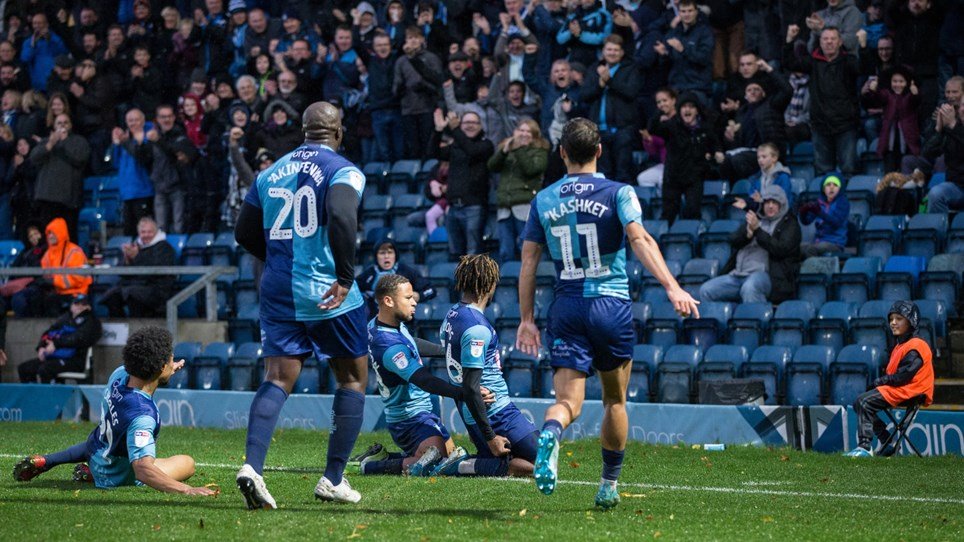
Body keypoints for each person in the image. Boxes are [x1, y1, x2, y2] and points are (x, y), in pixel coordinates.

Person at [515, 118, 700, 509]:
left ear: (562, 152)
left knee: (568, 402)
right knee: (614, 401)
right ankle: (607, 486)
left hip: (567, 306)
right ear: (599, 150)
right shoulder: (619, 192)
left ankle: (551, 431)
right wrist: (672, 286)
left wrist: (526, 319)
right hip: (609, 305)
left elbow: (528, 262)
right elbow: (639, 239)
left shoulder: (543, 199)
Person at [233, 102, 369, 509]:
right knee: (352, 379)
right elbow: (342, 216)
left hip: (278, 289)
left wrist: (279, 258)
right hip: (327, 290)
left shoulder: (269, 172)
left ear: (303, 131)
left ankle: (252, 467)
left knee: (277, 378)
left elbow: (244, 233)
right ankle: (333, 478)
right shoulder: (343, 170)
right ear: (338, 132)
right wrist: (345, 276)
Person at [13, 326, 216, 496]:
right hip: (113, 476)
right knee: (187, 463)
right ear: (160, 367)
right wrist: (187, 490)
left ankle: (49, 460)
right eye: (170, 361)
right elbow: (143, 470)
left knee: (111, 438)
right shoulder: (143, 416)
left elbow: (145, 373)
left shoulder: (120, 374)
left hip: (96, 450)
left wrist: (165, 372)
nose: (173, 362)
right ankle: (94, 475)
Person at [355, 274, 486, 476]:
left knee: (450, 456)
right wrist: (466, 393)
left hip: (419, 413)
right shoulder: (388, 346)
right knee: (438, 461)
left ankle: (384, 456)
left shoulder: (382, 324)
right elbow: (425, 380)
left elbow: (411, 342)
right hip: (409, 419)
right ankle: (367, 466)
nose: (414, 301)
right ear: (388, 301)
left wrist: (446, 352)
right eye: (408, 298)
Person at [433, 254, 536, 478]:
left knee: (523, 461)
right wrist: (490, 436)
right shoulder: (476, 327)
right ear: (489, 285)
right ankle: (463, 465)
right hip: (495, 411)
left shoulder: (452, 314)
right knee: (542, 458)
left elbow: (453, 360)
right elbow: (471, 386)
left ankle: (469, 462)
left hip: (475, 411)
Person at [846, 301, 934, 457]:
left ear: (911, 321)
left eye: (898, 319)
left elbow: (903, 377)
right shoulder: (900, 346)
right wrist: (881, 383)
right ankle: (887, 442)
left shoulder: (917, 345)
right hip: (902, 388)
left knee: (864, 402)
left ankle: (865, 447)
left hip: (912, 391)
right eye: (891, 319)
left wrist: (879, 382)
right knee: (859, 403)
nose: (893, 323)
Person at [699, 185, 800, 305]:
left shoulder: (790, 224)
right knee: (706, 290)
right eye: (767, 202)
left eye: (774, 202)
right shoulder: (756, 218)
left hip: (768, 277)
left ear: (781, 205)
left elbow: (780, 249)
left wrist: (758, 231)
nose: (770, 206)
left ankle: (753, 317)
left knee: (750, 288)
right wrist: (747, 235)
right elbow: (733, 240)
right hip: (738, 274)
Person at [783, 26, 859, 178]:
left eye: (833, 39)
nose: (829, 42)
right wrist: (789, 40)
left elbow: (865, 68)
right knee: (823, 173)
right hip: (820, 126)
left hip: (846, 125)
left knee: (848, 170)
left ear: (840, 42)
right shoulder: (813, 62)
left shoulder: (849, 61)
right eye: (825, 39)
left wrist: (863, 47)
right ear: (820, 42)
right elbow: (790, 63)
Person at [653, 92, 722, 224]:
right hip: (672, 177)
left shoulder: (705, 128)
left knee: (693, 212)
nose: (687, 109)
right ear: (679, 110)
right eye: (684, 107)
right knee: (668, 214)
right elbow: (653, 128)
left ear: (697, 110)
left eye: (691, 106)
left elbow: (715, 145)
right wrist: (660, 111)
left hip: (694, 178)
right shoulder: (672, 126)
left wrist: (717, 153)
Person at [434, 109, 494, 258]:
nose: (470, 125)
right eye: (466, 122)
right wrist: (438, 130)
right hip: (453, 207)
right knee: (455, 253)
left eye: (474, 122)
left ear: (481, 126)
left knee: (473, 253)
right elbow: (433, 152)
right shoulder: (456, 146)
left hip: (474, 207)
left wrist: (455, 129)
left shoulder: (486, 145)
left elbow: (471, 151)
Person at [488, 119, 549, 263]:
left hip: (525, 205)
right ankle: (507, 277)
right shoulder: (507, 149)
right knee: (505, 250)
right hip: (505, 206)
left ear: (534, 135)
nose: (524, 134)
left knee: (528, 249)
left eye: (528, 131)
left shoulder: (540, 151)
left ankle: (534, 277)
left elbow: (531, 169)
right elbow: (492, 166)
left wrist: (518, 149)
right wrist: (503, 152)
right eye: (521, 130)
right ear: (515, 132)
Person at [98, 217, 177, 318]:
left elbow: (157, 270)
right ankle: (119, 324)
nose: (146, 235)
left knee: (133, 294)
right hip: (136, 285)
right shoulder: (135, 246)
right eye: (143, 232)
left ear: (156, 232)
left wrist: (136, 257)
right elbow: (122, 273)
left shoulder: (164, 247)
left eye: (150, 232)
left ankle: (136, 324)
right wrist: (127, 259)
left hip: (157, 288)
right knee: (112, 295)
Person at [12, 218, 92, 317]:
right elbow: (45, 275)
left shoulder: (74, 252)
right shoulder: (48, 254)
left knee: (50, 301)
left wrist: (53, 281)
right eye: (49, 233)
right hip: (57, 292)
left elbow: (77, 279)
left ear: (61, 233)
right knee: (33, 298)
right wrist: (45, 281)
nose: (50, 236)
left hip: (76, 293)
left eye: (53, 233)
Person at [16, 294, 101, 383]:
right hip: (55, 356)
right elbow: (48, 333)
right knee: (24, 368)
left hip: (75, 360)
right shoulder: (65, 318)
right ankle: (33, 392)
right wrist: (41, 346)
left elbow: (79, 338)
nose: (79, 306)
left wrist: (56, 344)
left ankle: (51, 392)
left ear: (88, 307)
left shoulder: (91, 321)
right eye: (76, 304)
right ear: (71, 305)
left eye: (83, 304)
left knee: (45, 369)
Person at [860, 67, 921, 174]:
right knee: (889, 173)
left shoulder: (910, 95)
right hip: (889, 143)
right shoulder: (887, 94)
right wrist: (873, 91)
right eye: (895, 81)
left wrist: (915, 94)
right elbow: (877, 98)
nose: (898, 84)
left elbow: (916, 102)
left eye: (901, 81)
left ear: (907, 82)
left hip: (908, 142)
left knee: (906, 172)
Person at [356, 239, 436, 318]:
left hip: (402, 320)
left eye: (390, 252)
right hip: (373, 319)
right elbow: (354, 289)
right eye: (382, 253)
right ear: (376, 256)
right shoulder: (369, 274)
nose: (386, 256)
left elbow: (431, 290)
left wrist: (419, 296)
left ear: (395, 255)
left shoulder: (406, 271)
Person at [923, 101, 964, 214]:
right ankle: (942, 225)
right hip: (957, 187)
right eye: (962, 105)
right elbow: (927, 153)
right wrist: (939, 130)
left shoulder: (953, 127)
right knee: (936, 194)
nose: (963, 109)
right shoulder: (952, 129)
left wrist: (953, 126)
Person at [732, 142, 794, 213]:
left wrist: (761, 201)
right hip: (763, 215)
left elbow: (783, 201)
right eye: (758, 157)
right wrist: (746, 204)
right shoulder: (756, 178)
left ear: (774, 158)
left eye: (764, 157)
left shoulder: (782, 177)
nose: (760, 160)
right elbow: (753, 199)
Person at [798, 175, 851, 258]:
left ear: (840, 189)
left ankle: (814, 266)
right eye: (828, 185)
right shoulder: (820, 202)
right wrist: (803, 211)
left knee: (811, 249)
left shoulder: (842, 203)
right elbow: (806, 221)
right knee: (795, 248)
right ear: (823, 189)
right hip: (818, 242)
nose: (831, 187)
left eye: (835, 185)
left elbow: (836, 222)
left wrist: (819, 212)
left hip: (835, 243)